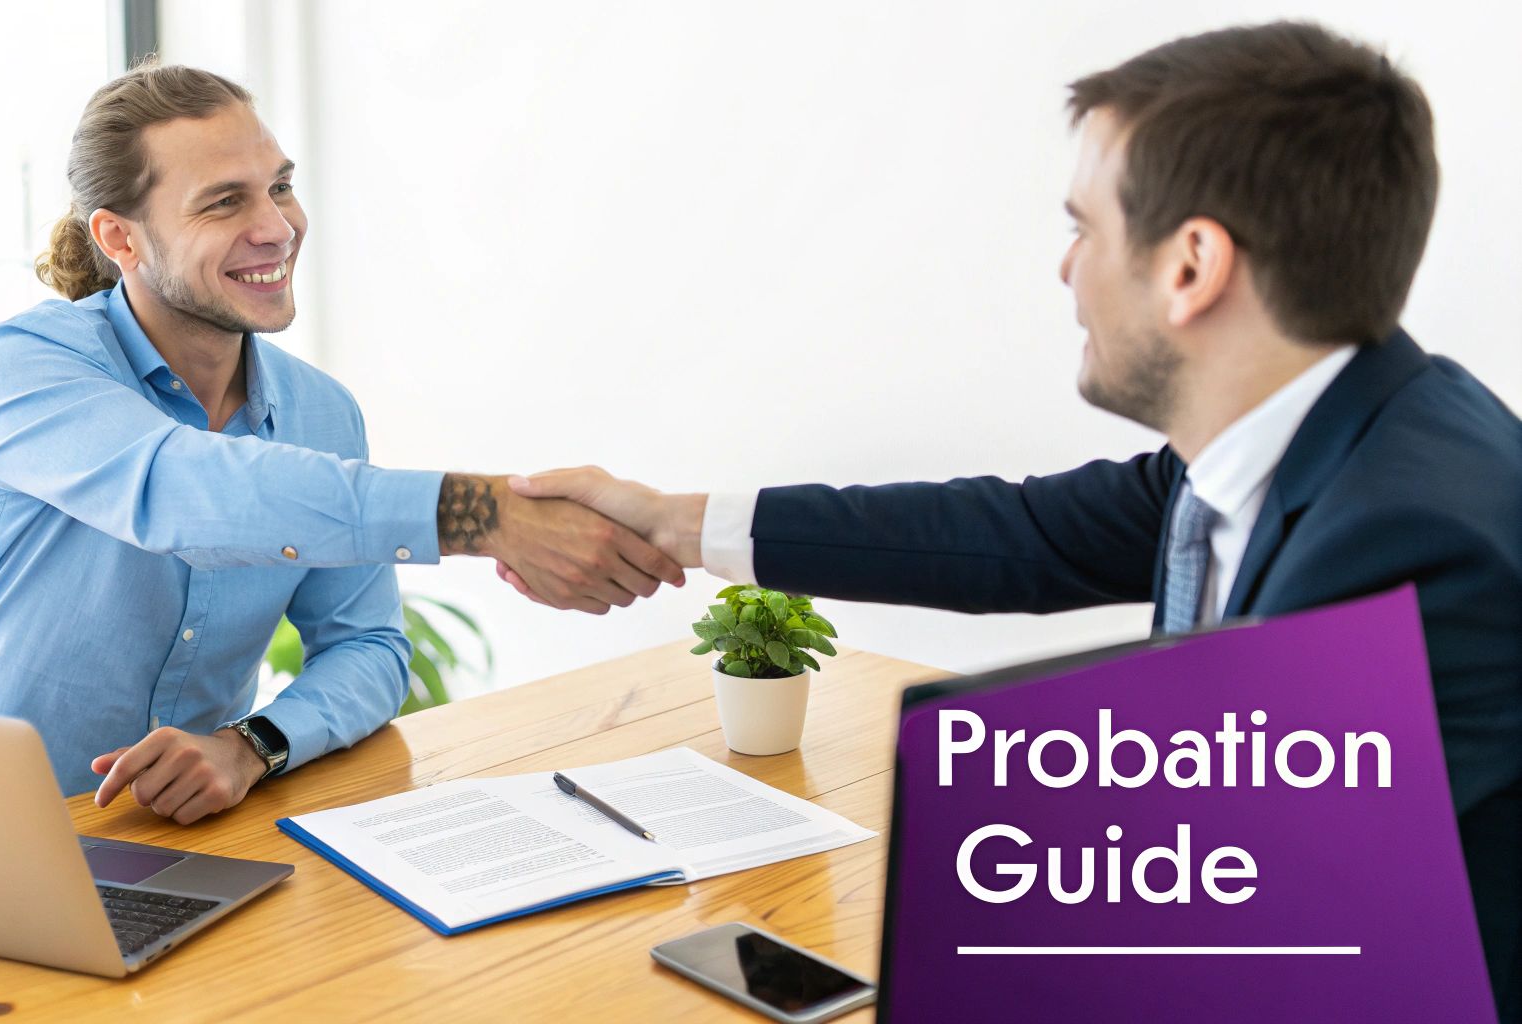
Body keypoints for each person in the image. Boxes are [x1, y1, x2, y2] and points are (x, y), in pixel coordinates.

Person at [500, 22, 1521, 1014]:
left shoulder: (1412, 545)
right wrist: (673, 523)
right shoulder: (1294, 444)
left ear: (1189, 267)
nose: (1064, 269)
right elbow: (1017, 536)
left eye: (1083, 227)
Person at [0, 63, 683, 825]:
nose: (278, 227)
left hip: (196, 843)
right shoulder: (25, 365)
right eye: (225, 202)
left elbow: (370, 649)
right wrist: (482, 515)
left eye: (279, 187)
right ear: (119, 237)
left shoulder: (321, 414)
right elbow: (185, 491)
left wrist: (251, 745)